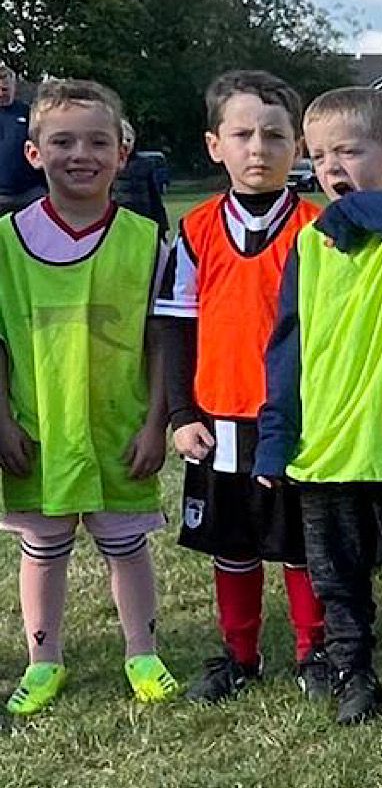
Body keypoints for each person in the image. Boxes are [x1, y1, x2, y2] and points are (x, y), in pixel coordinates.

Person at [255, 87, 382, 726]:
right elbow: (286, 346)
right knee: (338, 577)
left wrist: (350, 215)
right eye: (319, 157)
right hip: (326, 448)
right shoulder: (309, 248)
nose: (332, 169)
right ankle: (353, 670)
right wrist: (276, 433)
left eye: (350, 151)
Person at [0, 79, 179, 716]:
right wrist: (1, 421)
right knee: (43, 549)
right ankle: (43, 661)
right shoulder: (4, 242)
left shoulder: (146, 240)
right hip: (37, 425)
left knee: (126, 546)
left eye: (98, 141)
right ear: (33, 153)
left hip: (119, 427)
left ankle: (142, 653)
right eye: (63, 141)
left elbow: (164, 338)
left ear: (122, 153)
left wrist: (157, 421)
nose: (82, 154)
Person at [152, 70, 328, 704]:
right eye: (243, 134)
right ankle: (239, 652)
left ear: (299, 148)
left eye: (275, 135)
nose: (259, 148)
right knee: (234, 540)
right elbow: (176, 327)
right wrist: (180, 413)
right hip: (220, 418)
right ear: (213, 144)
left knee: (303, 543)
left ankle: (316, 650)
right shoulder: (196, 232)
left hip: (299, 419)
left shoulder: (320, 229)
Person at [0, 62, 45, 213]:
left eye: (5, 89)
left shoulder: (29, 113)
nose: (1, 94)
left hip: (29, 193)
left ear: (14, 86)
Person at [112, 119, 169, 233]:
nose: (126, 143)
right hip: (118, 222)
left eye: (129, 140)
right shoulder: (108, 164)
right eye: (122, 140)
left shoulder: (145, 164)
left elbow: (155, 198)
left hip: (143, 219)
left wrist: (162, 225)